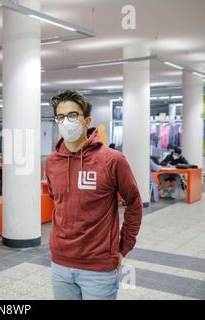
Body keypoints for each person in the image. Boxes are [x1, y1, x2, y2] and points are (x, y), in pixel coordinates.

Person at [46, 90, 142, 300]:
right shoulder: (52, 162)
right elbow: (59, 201)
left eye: (72, 115)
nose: (66, 122)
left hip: (98, 268)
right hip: (60, 263)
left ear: (86, 120)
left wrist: (123, 247)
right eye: (60, 117)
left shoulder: (113, 160)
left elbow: (134, 203)